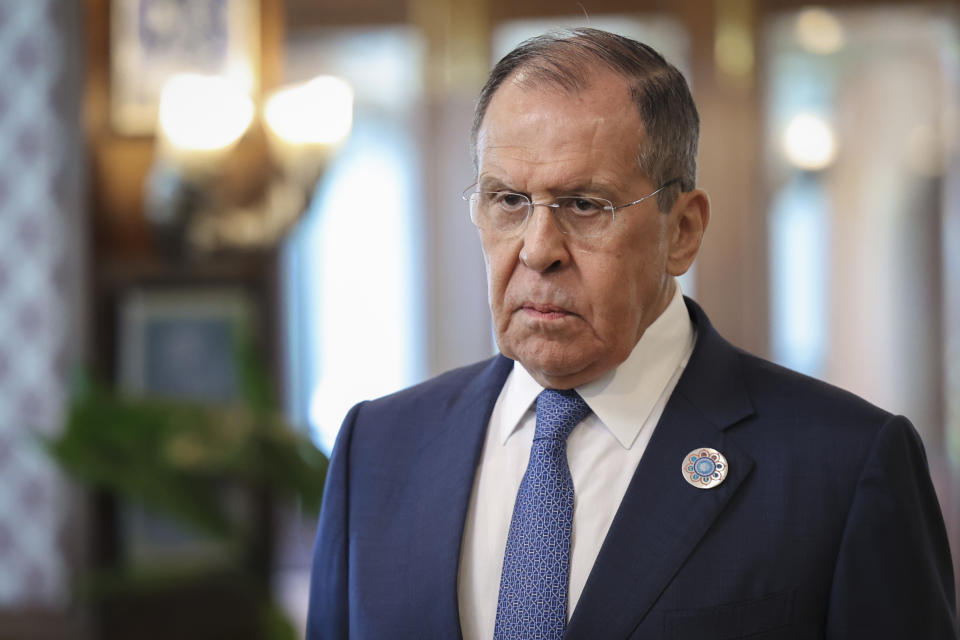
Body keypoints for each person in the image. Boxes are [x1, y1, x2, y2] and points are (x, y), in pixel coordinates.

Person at [306, 28, 957, 639]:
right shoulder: (378, 450)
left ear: (683, 231)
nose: (537, 250)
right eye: (508, 201)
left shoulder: (841, 468)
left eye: (585, 205)